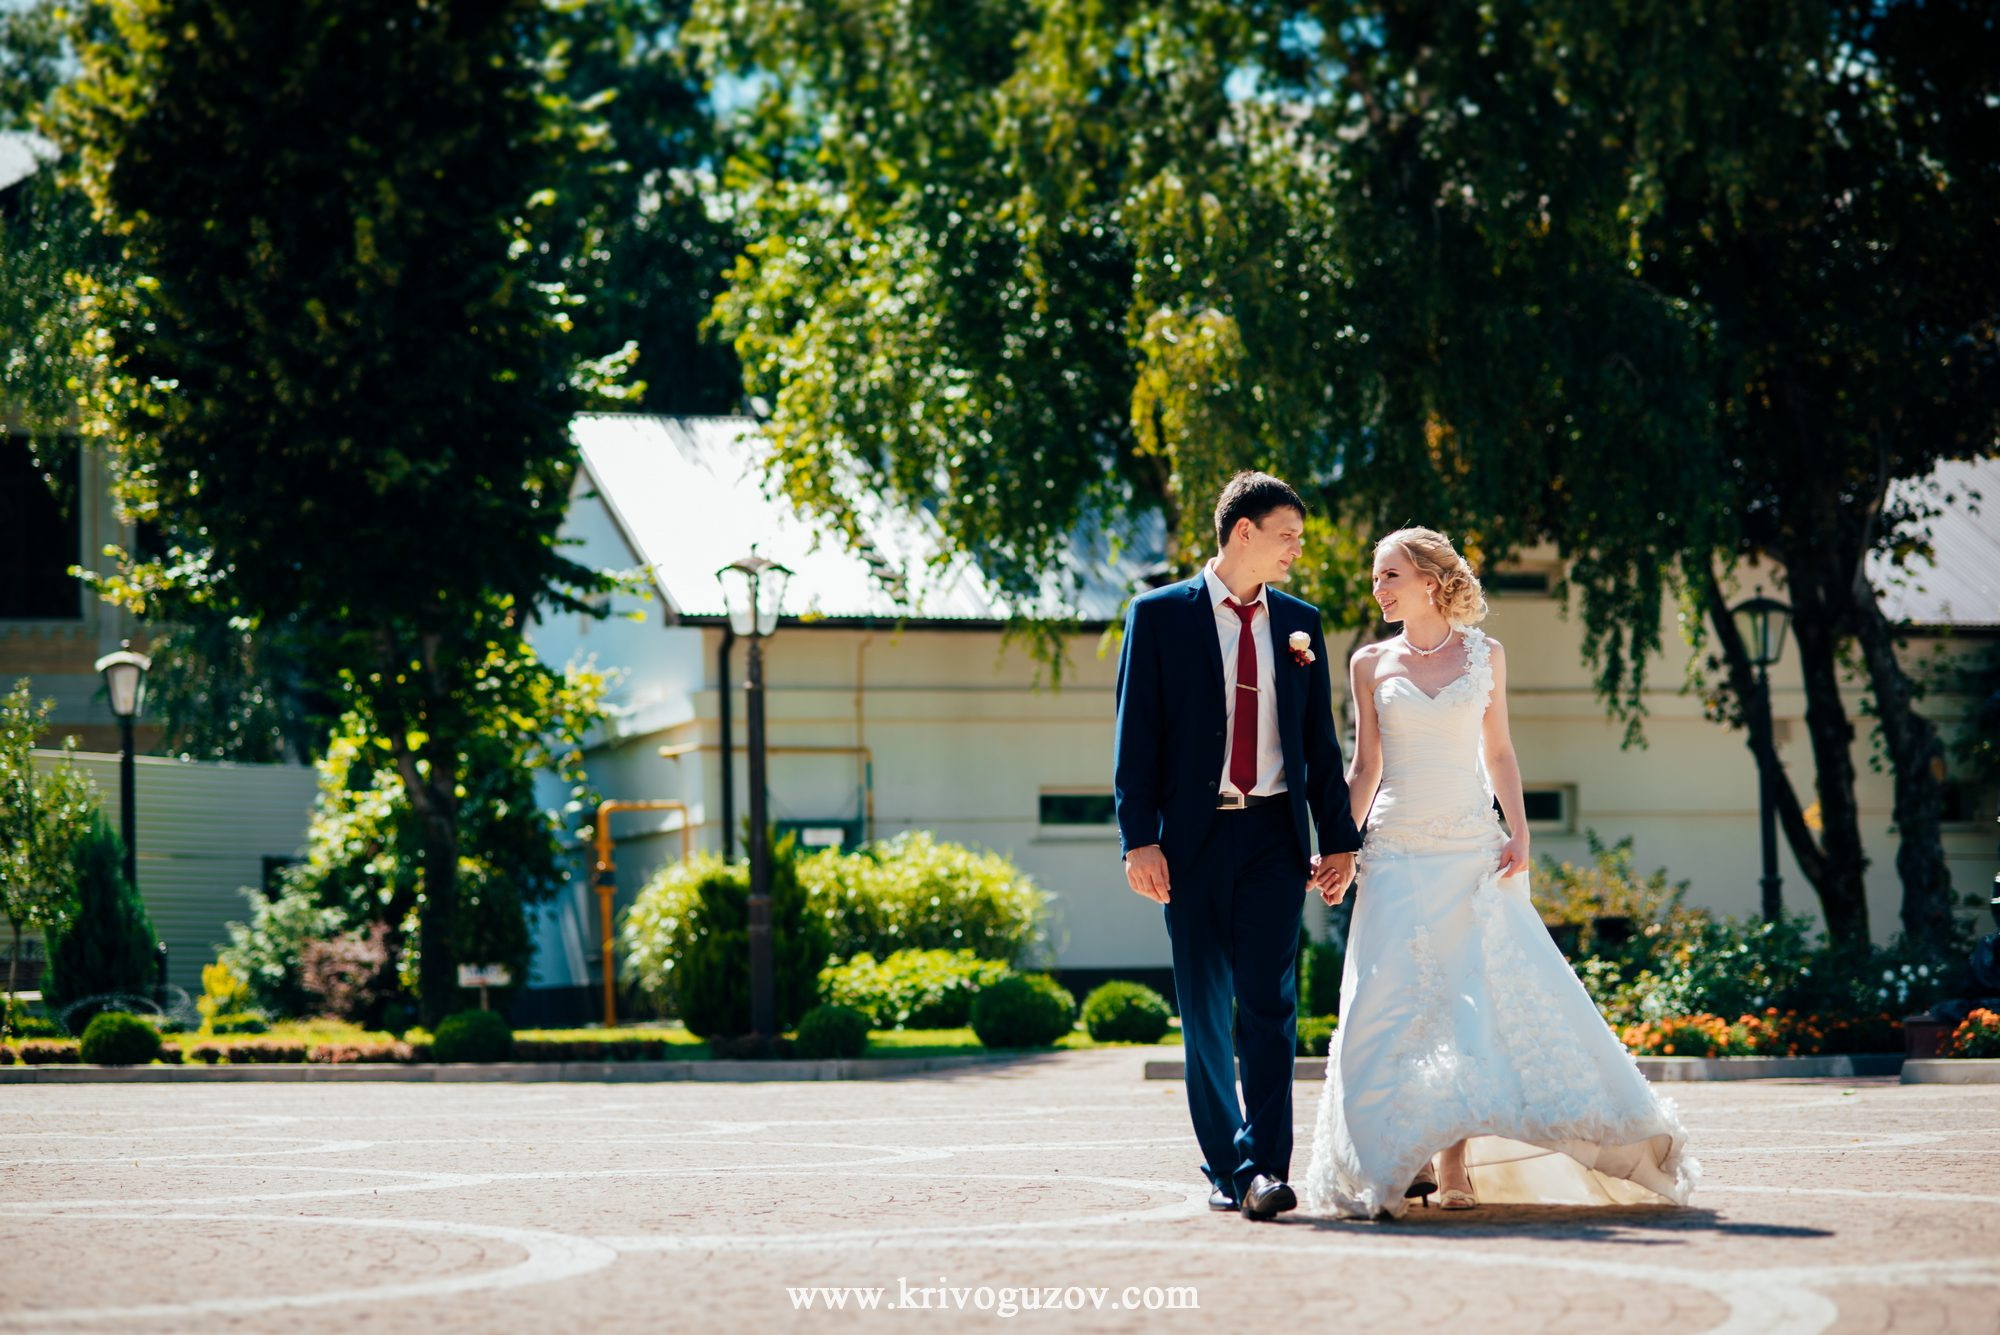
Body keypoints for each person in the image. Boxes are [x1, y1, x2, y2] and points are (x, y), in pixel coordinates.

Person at [1301, 527, 1699, 1218]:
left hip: (1469, 849)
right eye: (1376, 576)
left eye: (1389, 574)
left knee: (1468, 1005)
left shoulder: (1486, 655)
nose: (1377, 587)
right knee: (1385, 1004)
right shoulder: (1368, 662)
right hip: (1394, 851)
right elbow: (1364, 768)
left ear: (1429, 580)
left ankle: (1454, 1162)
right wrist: (1339, 845)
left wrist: (1519, 830)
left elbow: (1500, 752)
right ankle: (1393, 1159)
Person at [1113, 471, 1362, 1222]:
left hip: (1274, 836)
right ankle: (1229, 1166)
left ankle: (1266, 1168)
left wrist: (1339, 840)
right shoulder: (1158, 615)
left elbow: (1319, 744)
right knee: (1204, 1006)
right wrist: (1139, 839)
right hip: (1190, 840)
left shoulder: (1300, 623)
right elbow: (1136, 736)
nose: (1297, 549)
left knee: (1270, 1005)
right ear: (1243, 532)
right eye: (1287, 535)